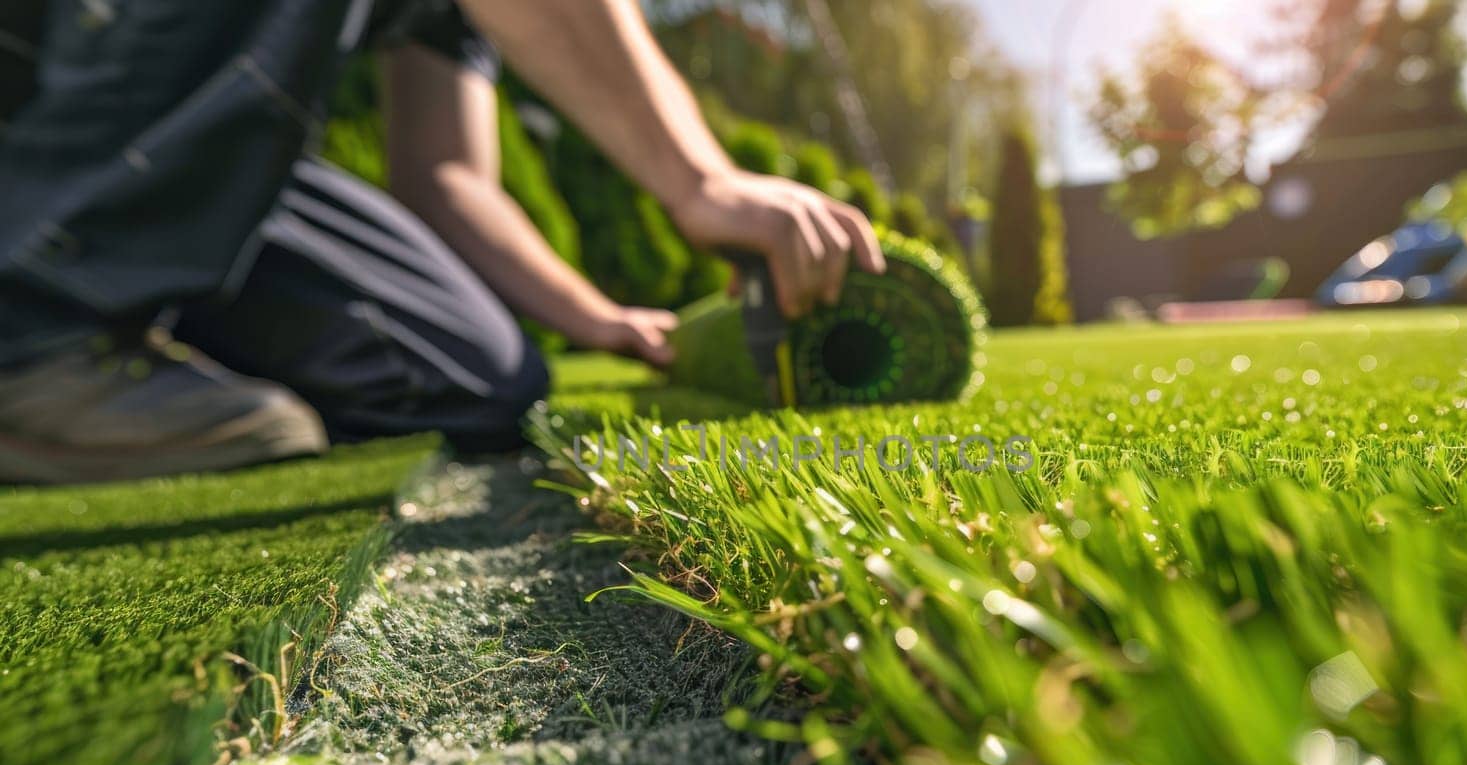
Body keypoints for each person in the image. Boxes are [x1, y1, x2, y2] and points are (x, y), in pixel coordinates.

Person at [0, 0, 884, 484]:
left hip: (154, 153)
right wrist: (702, 183)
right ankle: (34, 333)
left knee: (473, 381)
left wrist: (601, 317)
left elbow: (449, 177)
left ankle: (130, 315)